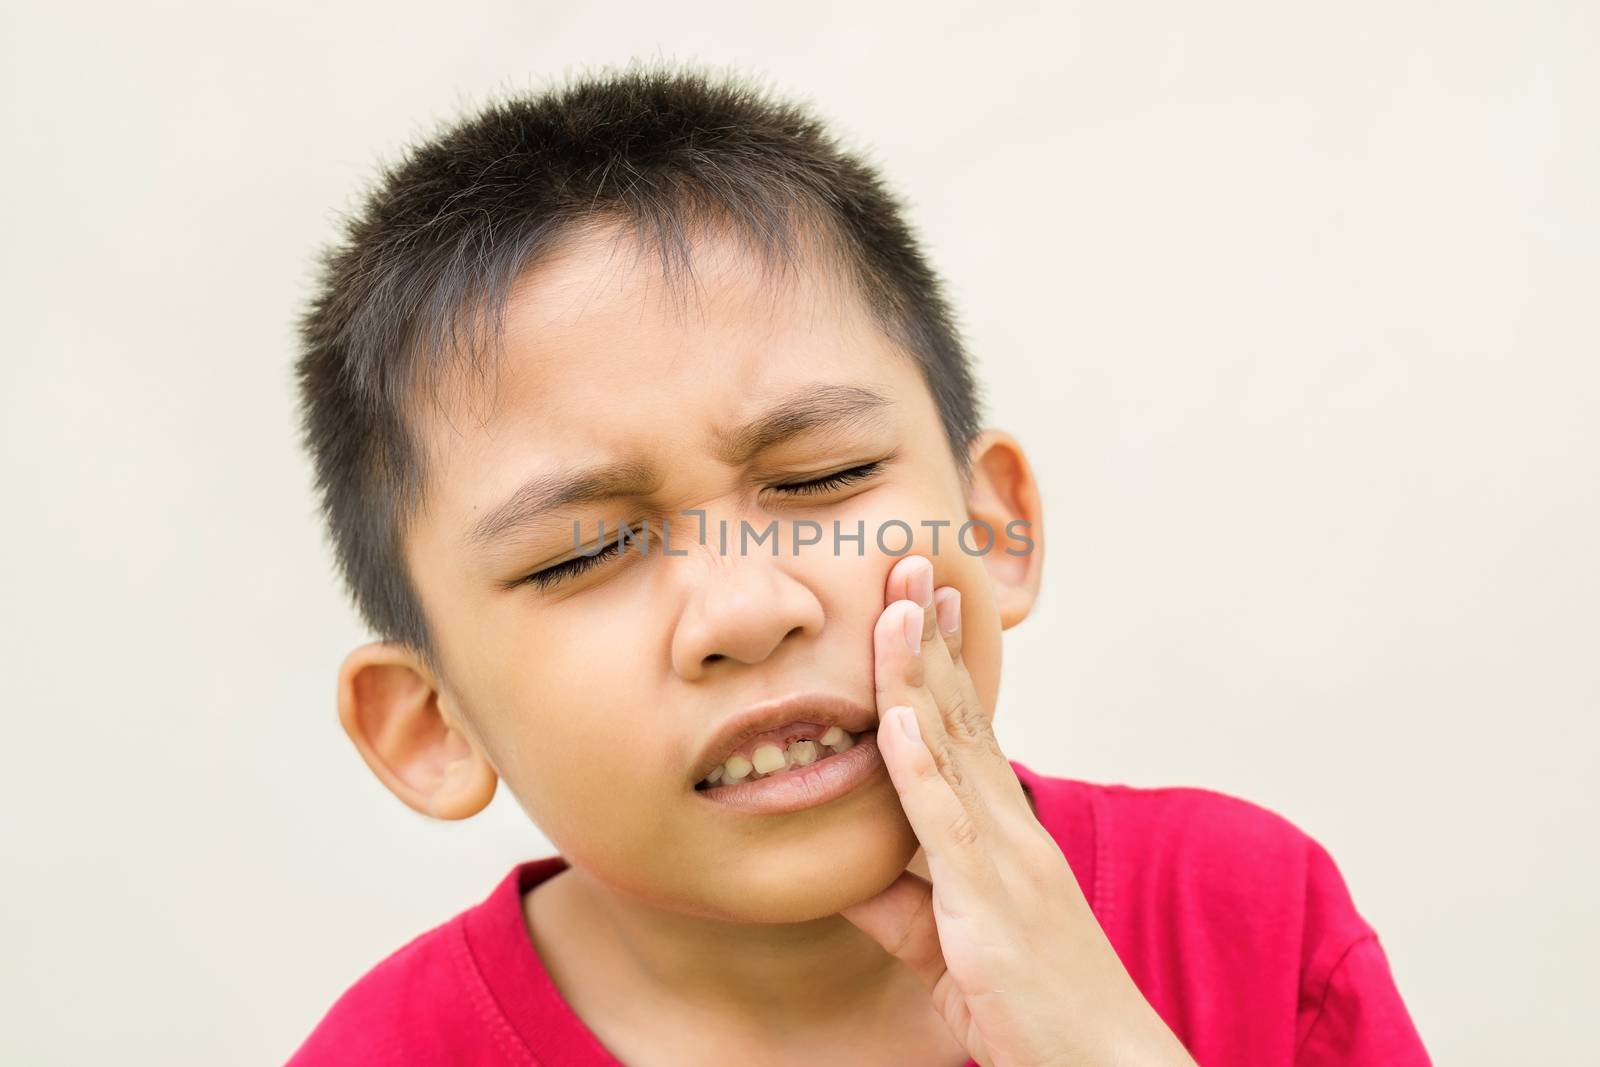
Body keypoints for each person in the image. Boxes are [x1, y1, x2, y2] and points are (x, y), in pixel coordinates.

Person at [286, 61, 1431, 1065]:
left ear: (994, 528)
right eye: (585, 550)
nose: (743, 606)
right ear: (432, 727)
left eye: (821, 477)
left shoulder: (1243, 921)